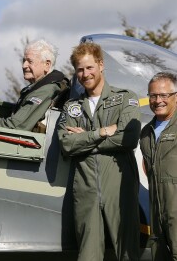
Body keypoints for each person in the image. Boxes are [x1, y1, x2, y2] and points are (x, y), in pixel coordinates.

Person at [57, 42, 141, 260]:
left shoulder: (125, 98)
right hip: (85, 188)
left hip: (119, 186)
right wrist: (101, 132)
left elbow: (129, 138)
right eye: (80, 70)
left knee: (127, 252)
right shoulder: (71, 107)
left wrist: (84, 139)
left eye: (90, 67)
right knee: (88, 254)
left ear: (101, 65)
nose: (85, 74)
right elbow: (66, 144)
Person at [0, 38, 69, 132]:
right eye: (24, 60)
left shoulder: (46, 90)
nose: (24, 65)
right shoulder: (37, 87)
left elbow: (15, 125)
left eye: (30, 61)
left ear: (47, 64)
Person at [140, 72, 177, 260]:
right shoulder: (146, 133)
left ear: (175, 97)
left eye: (164, 95)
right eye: (153, 95)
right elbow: (148, 169)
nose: (157, 100)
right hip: (157, 218)